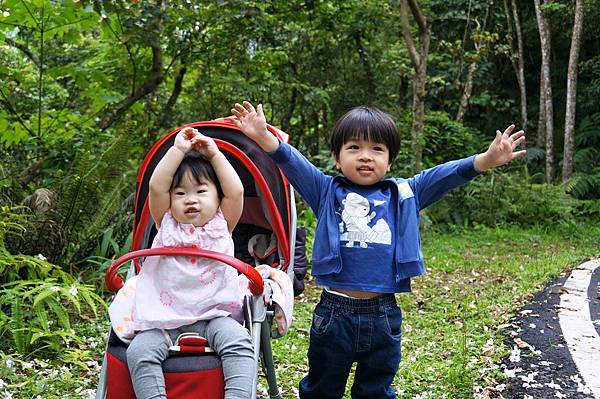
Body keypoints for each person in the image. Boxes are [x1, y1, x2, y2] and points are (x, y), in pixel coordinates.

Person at [231, 101, 525, 399]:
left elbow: (446, 175)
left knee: (377, 390)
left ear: (390, 160)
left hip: (384, 313)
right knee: (321, 389)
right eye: (354, 147)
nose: (365, 157)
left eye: (377, 149)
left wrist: (486, 159)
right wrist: (263, 137)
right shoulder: (326, 191)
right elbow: (292, 163)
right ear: (337, 157)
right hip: (334, 314)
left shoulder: (406, 193)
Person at [110, 127, 254, 399]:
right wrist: (177, 150)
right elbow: (156, 186)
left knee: (240, 344)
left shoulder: (222, 225)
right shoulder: (165, 223)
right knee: (139, 351)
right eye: (180, 194)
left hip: (214, 316)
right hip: (164, 319)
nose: (190, 199)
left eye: (201, 191)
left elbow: (235, 191)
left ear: (217, 197)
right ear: (170, 201)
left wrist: (214, 154)